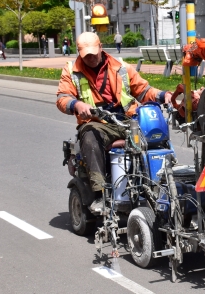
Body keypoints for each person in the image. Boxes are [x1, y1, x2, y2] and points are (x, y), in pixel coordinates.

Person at [56, 32, 172, 214]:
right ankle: (99, 193)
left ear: (101, 47)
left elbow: (143, 90)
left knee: (157, 135)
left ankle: (161, 186)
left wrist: (164, 95)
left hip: (127, 119)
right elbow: (62, 98)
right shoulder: (71, 71)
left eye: (94, 53)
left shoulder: (121, 67)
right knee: (90, 137)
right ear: (79, 52)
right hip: (97, 122)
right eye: (87, 56)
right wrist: (77, 104)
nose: (92, 58)